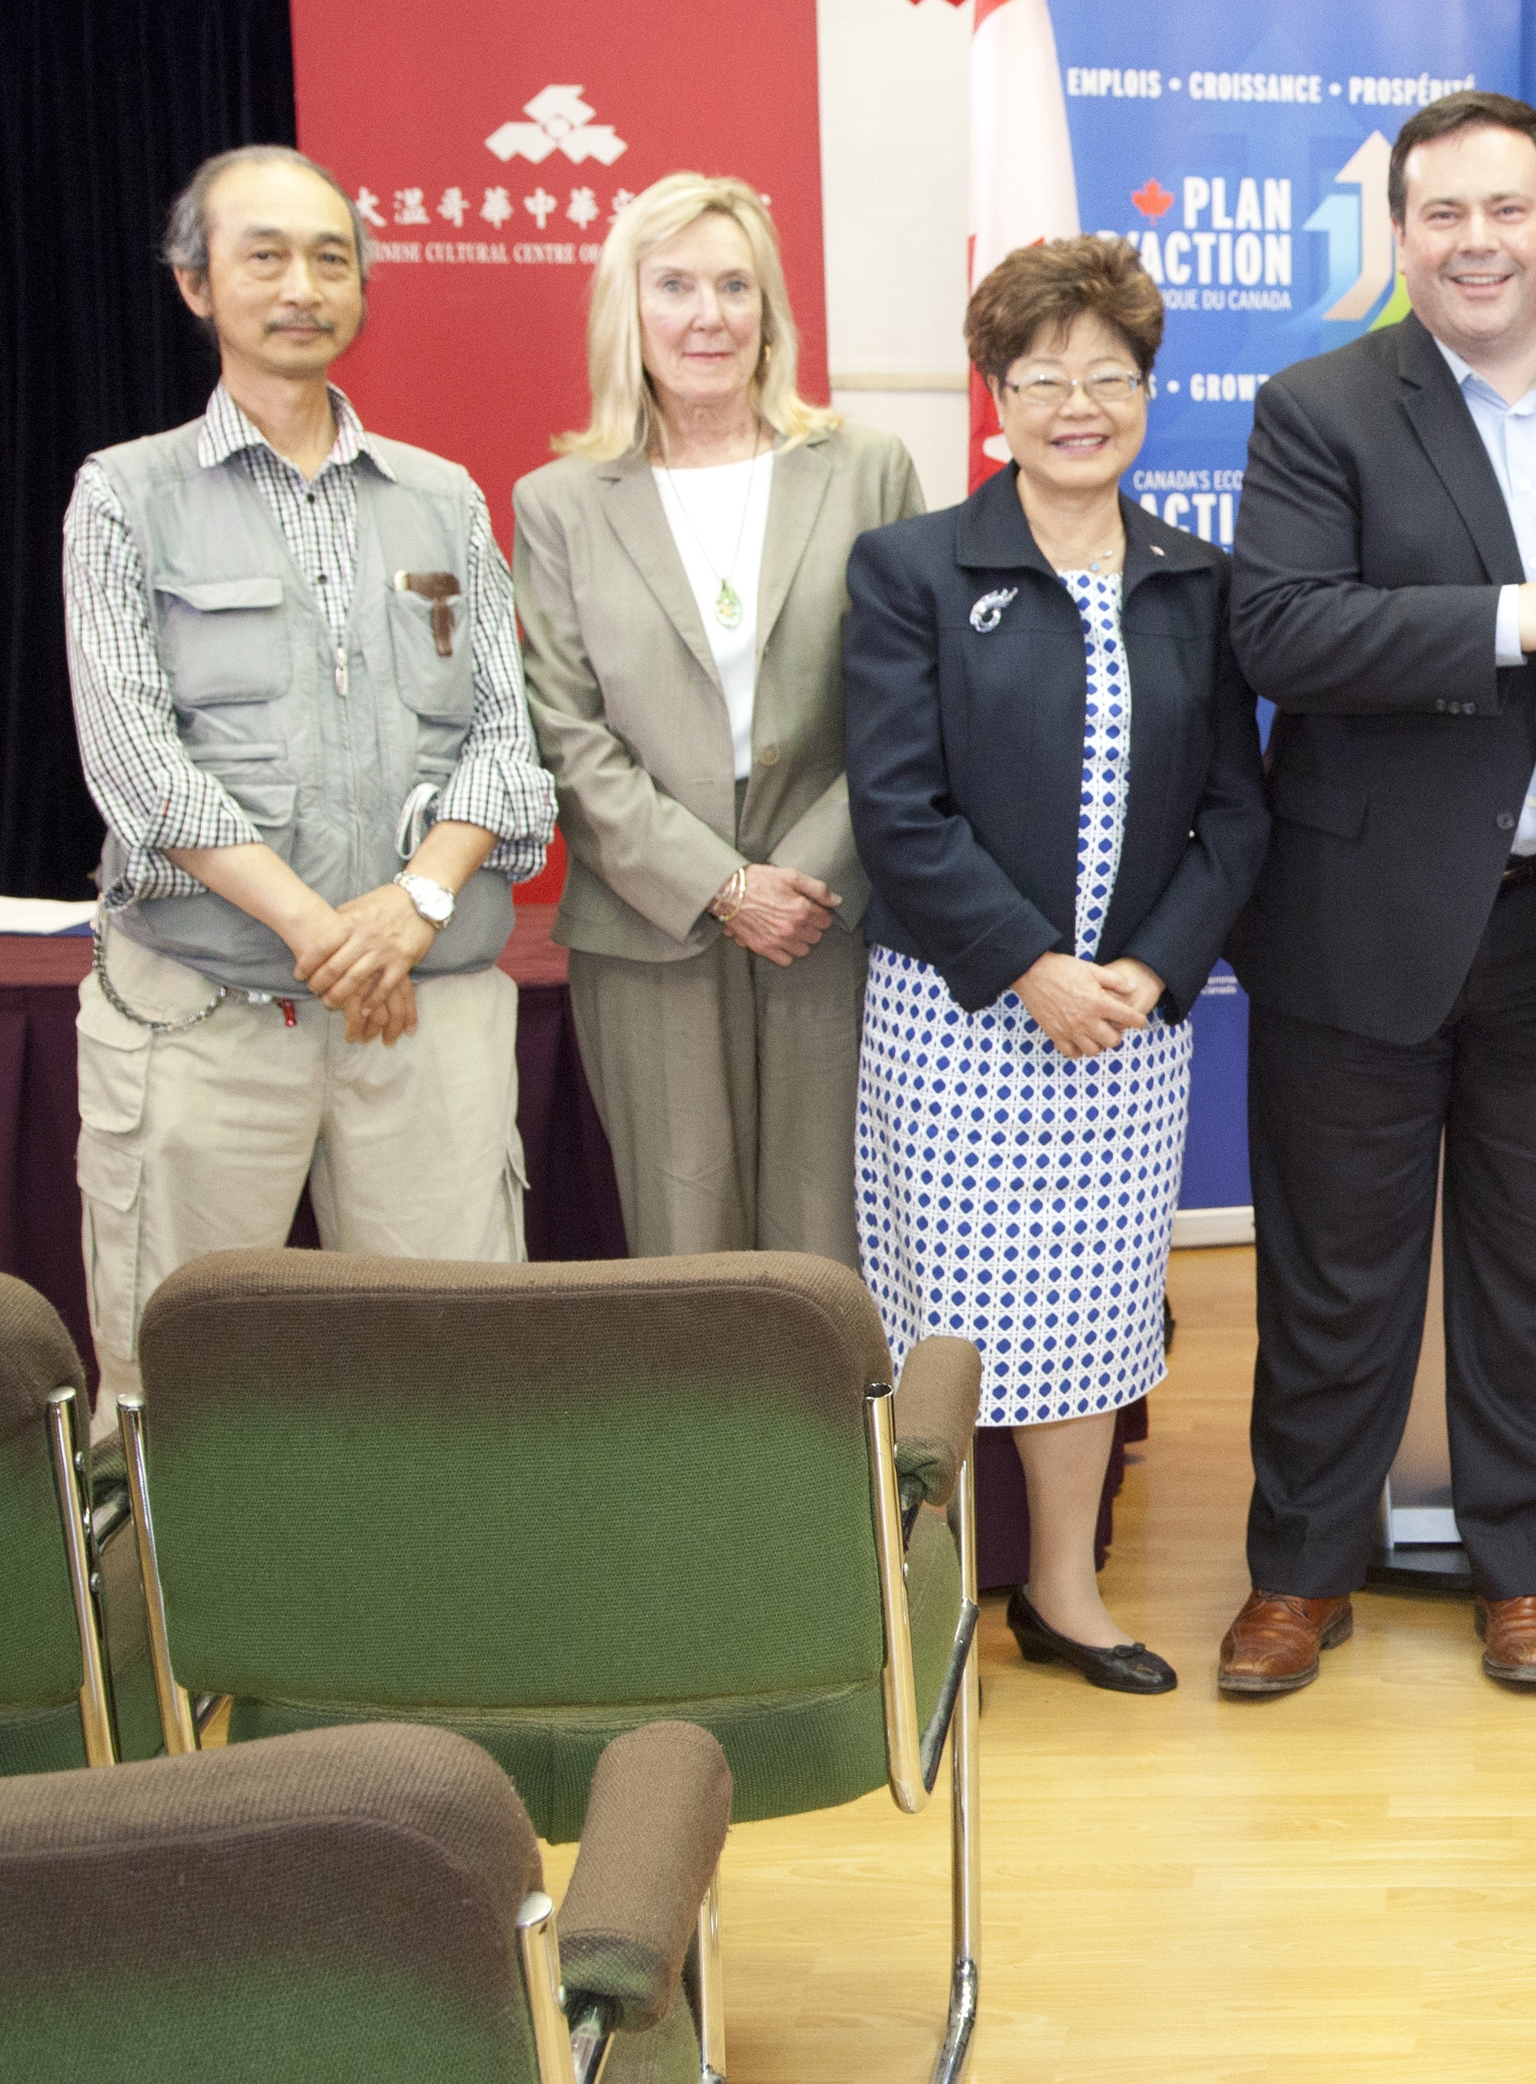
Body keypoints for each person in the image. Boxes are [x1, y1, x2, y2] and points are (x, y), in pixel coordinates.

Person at [1221, 90, 1536, 1696]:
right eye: (1442, 212)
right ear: (1399, 235)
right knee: (1336, 1276)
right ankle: (1301, 1571)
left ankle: (1529, 1568)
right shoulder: (1318, 406)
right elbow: (1284, 631)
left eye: (1507, 208)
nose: (1477, 242)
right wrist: (1520, 615)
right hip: (1357, 921)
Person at [63, 145, 555, 1432]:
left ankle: (436, 1578)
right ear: (195, 284)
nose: (302, 286)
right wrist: (325, 933)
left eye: (331, 258)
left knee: (457, 1376)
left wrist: (413, 906)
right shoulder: (125, 496)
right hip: (208, 1016)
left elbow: (506, 741)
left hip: (424, 1011)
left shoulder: (441, 497)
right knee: (175, 1383)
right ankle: (175, 1583)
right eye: (265, 255)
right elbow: (136, 764)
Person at [846, 236, 1267, 1695]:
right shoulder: (912, 566)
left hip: (1128, 1029)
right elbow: (898, 808)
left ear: (1148, 391)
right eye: (1043, 377)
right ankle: (927, 1595)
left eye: (1108, 375)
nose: (1078, 405)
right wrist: (1030, 964)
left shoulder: (1199, 580)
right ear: (996, 396)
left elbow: (1237, 812)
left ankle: (1067, 1591)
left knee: (1091, 1313)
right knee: (946, 1316)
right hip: (961, 1013)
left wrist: (1150, 968)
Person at [514, 173, 923, 1261]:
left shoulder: (866, 470)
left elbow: (914, 700)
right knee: (684, 1240)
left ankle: (846, 1399)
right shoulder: (559, 501)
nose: (709, 316)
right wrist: (721, 885)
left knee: (827, 1242)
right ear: (629, 308)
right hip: (649, 925)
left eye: (736, 286)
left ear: (770, 309)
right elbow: (565, 729)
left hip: (829, 912)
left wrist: (801, 875)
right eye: (676, 286)